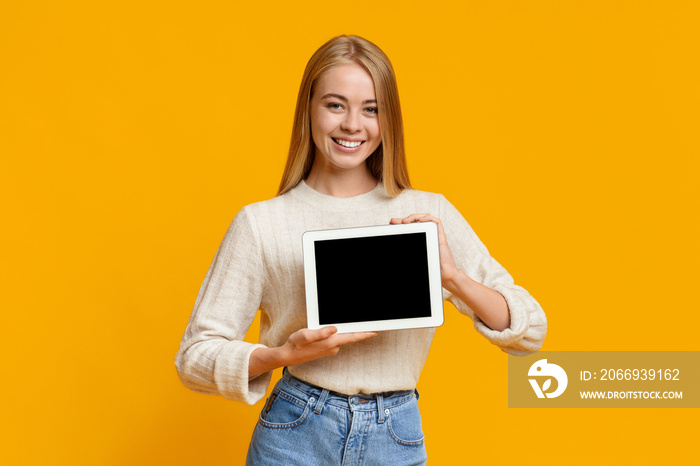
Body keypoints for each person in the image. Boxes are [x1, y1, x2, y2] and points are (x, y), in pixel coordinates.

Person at [175, 35, 547, 465]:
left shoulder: (427, 214)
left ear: (389, 119)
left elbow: (529, 332)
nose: (353, 124)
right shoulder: (261, 223)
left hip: (396, 432)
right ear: (308, 109)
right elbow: (195, 357)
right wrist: (283, 355)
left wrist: (452, 278)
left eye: (371, 109)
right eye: (336, 105)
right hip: (294, 431)